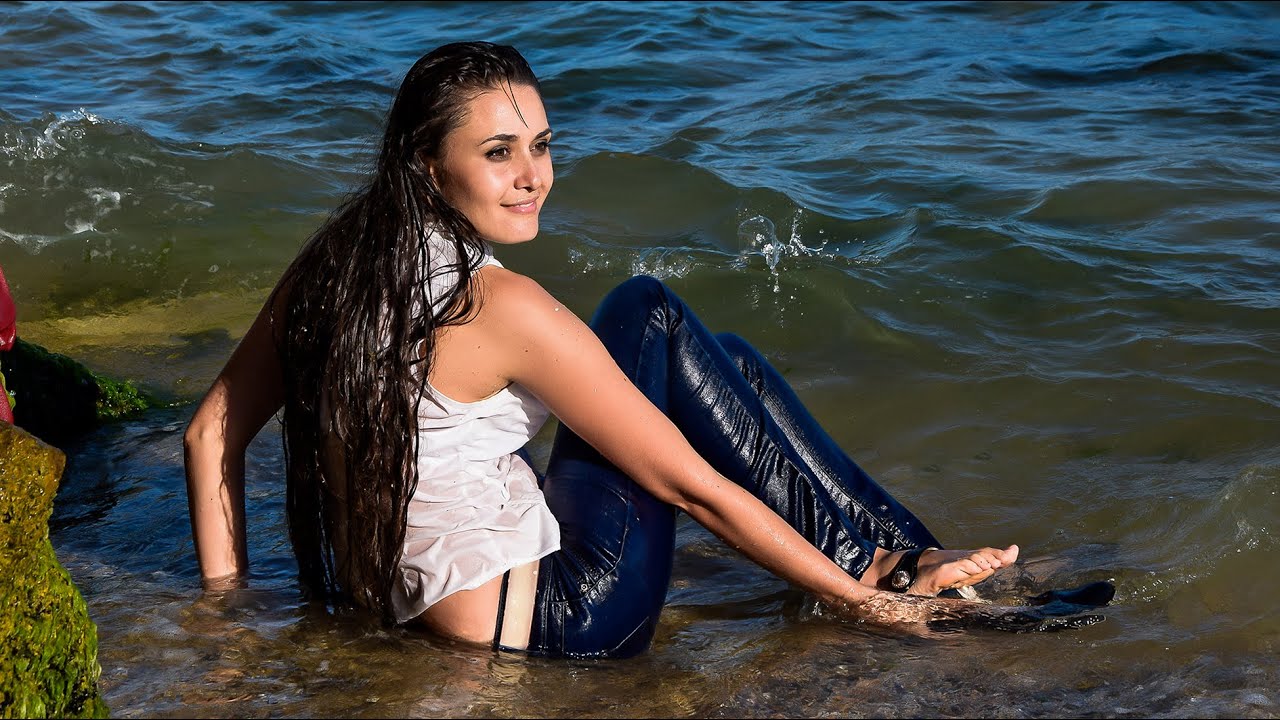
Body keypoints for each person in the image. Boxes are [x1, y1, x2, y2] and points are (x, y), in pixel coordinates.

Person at [184, 41, 1100, 659]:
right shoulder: (501, 305)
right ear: (429, 166)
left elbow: (207, 438)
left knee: (723, 361)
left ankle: (902, 555)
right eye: (499, 152)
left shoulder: (335, 266)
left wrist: (227, 618)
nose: (533, 176)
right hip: (567, 626)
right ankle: (892, 572)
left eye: (541, 146)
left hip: (434, 612)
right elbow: (689, 488)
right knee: (652, 314)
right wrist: (875, 613)